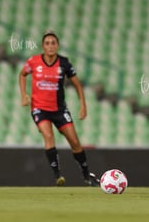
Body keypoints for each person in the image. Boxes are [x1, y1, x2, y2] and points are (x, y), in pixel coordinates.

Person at [18, 30, 99, 187]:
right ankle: (58, 176)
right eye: (47, 43)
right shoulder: (33, 62)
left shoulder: (64, 63)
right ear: (43, 46)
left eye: (53, 43)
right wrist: (24, 95)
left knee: (75, 142)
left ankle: (87, 175)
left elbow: (77, 84)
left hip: (60, 110)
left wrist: (83, 104)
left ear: (57, 45)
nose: (50, 46)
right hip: (40, 108)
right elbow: (22, 75)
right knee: (48, 136)